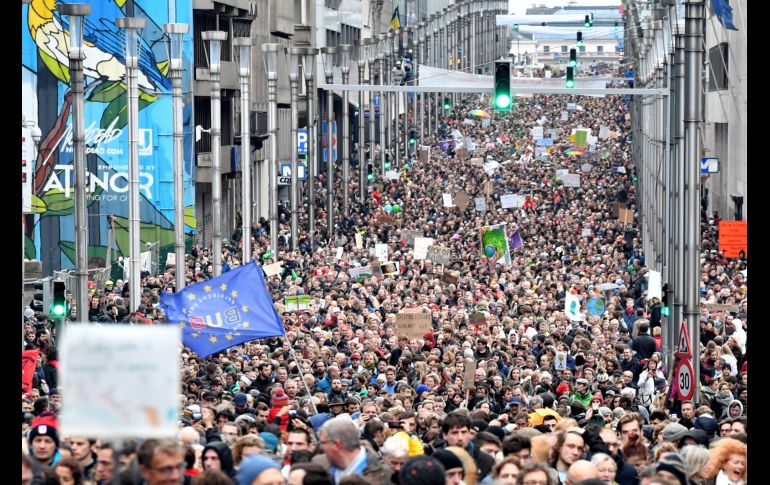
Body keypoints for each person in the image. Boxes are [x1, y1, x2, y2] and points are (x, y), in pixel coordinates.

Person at [312, 416, 390, 484]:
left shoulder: (385, 475)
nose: (321, 447)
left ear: (336, 445)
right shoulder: (320, 466)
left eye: (323, 442)